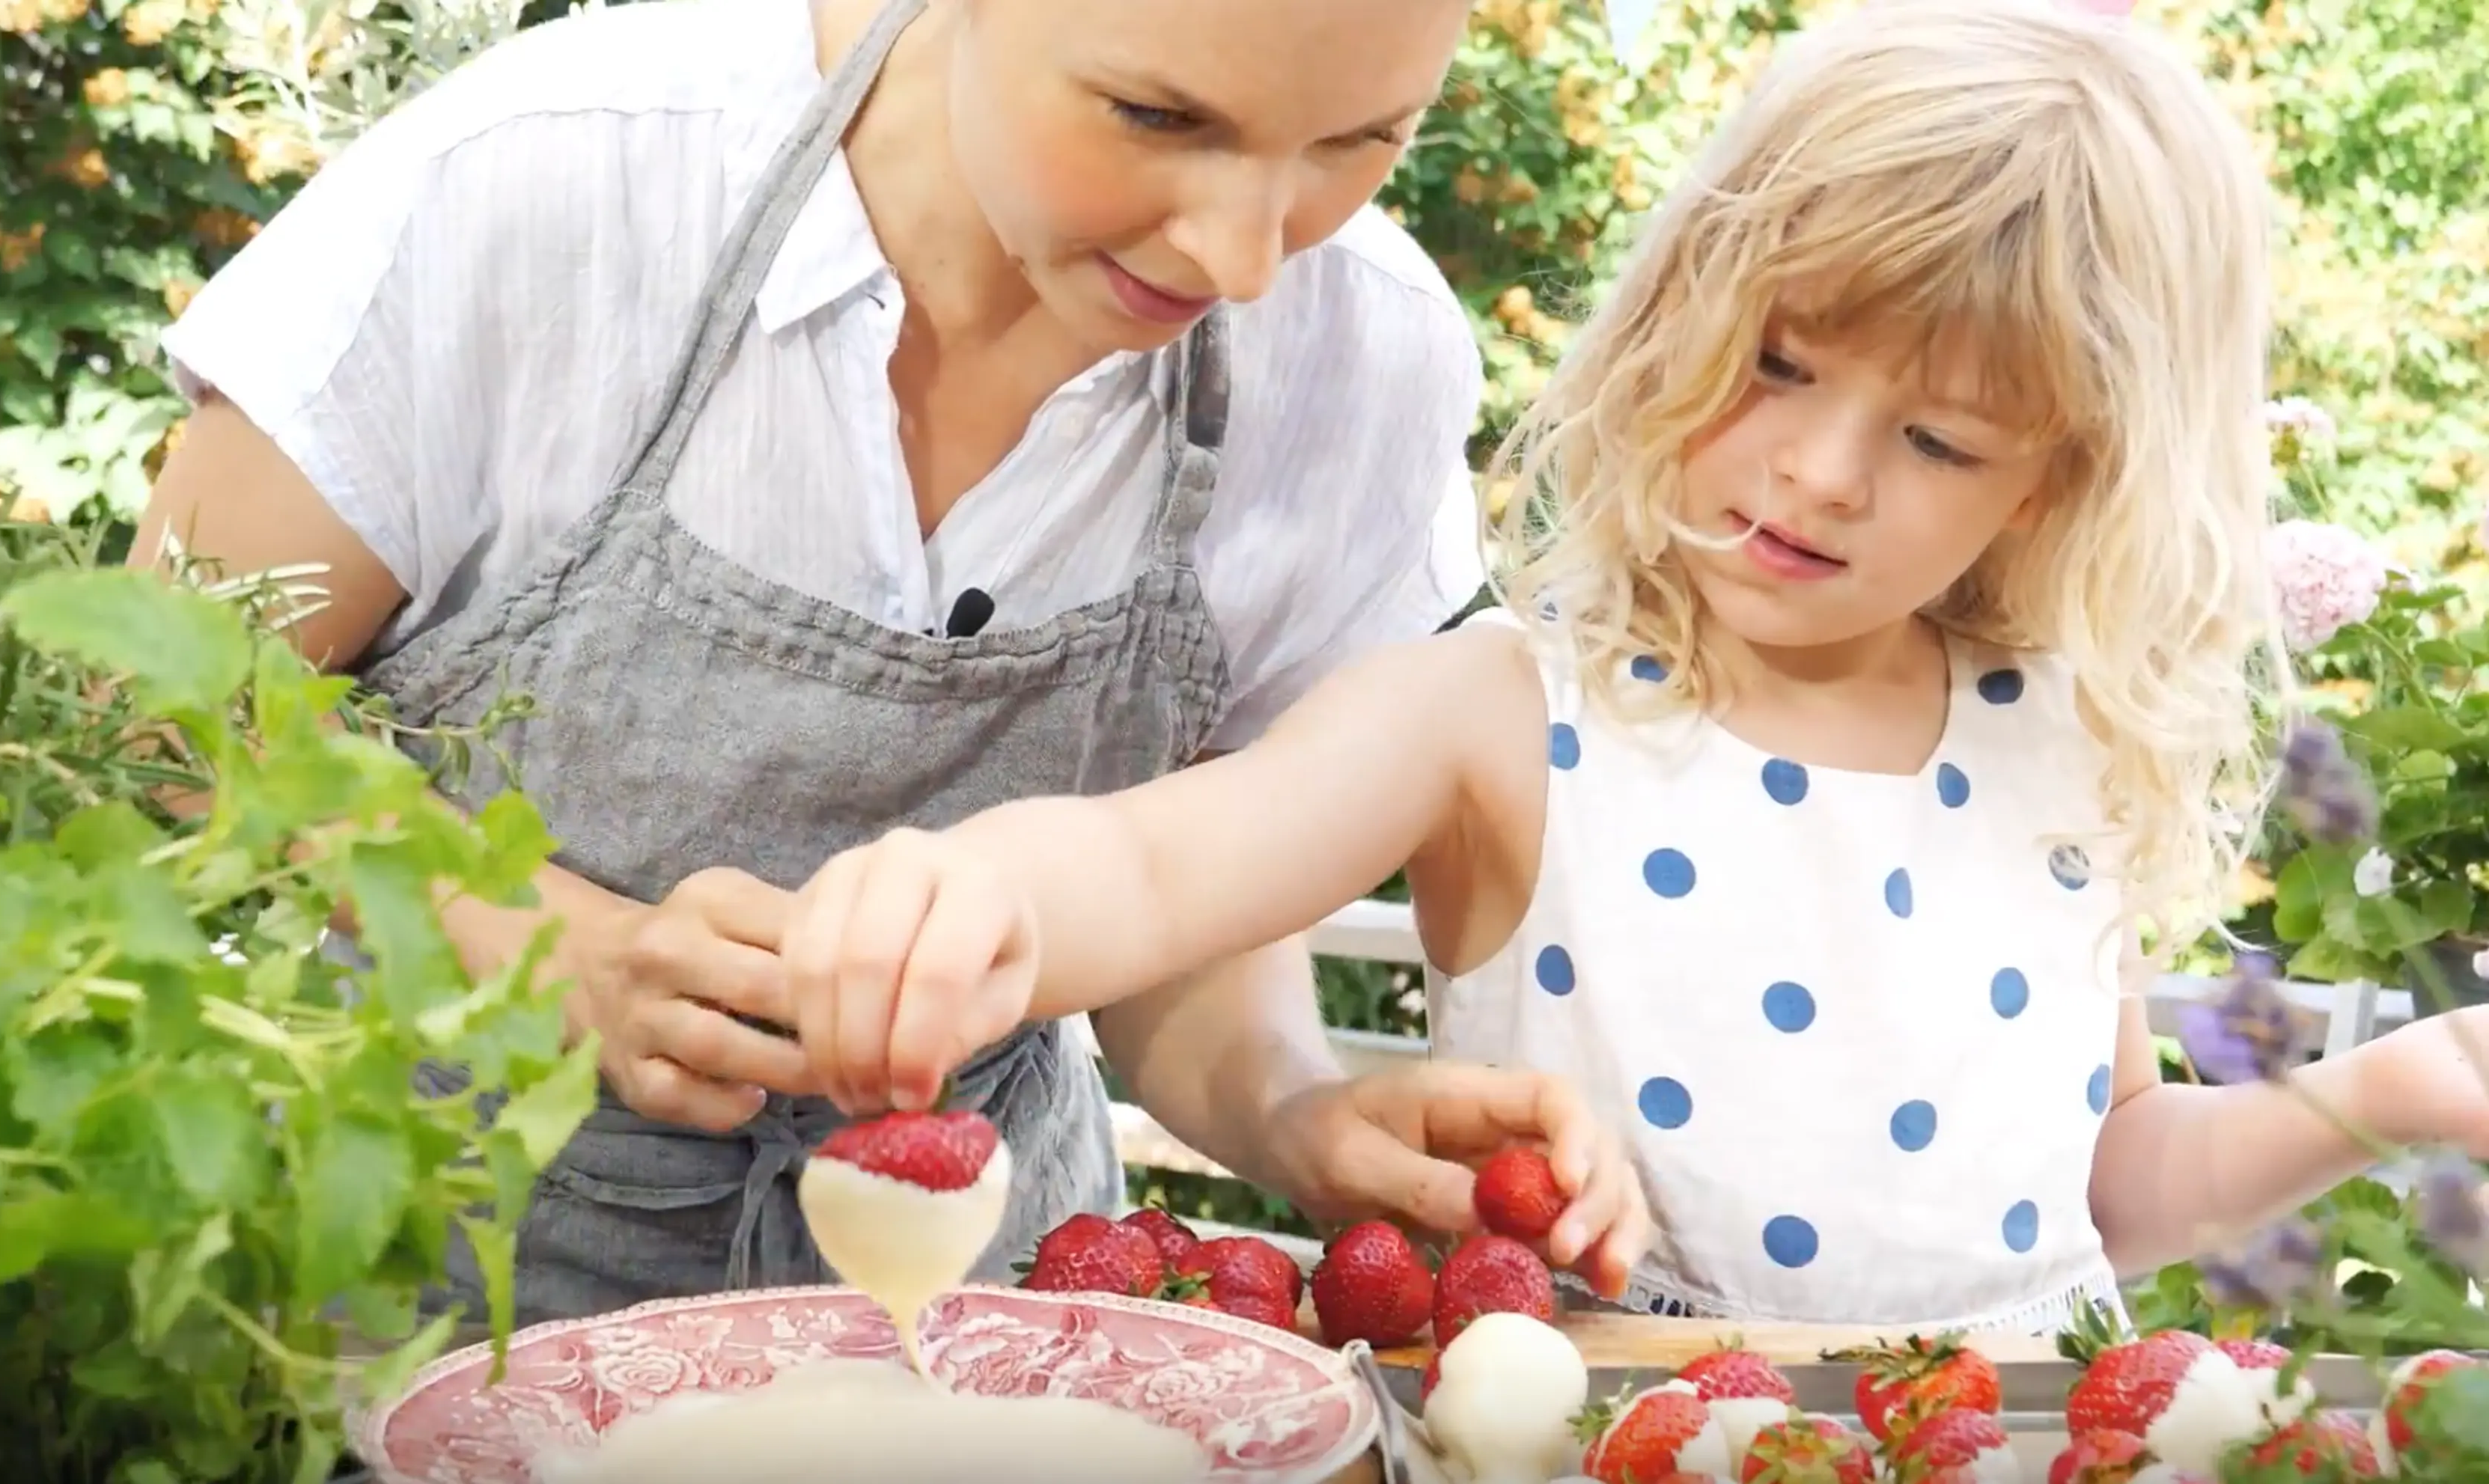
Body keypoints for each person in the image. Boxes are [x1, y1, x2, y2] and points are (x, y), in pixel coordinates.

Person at [768, 0, 2489, 1329]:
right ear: (1678, 308)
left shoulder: (2058, 753)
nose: (1821, 471)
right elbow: (1158, 856)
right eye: (1779, 363)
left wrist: (2388, 1093)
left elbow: (2109, 1189)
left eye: (1942, 442)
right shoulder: (1510, 712)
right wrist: (968, 893)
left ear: (2057, 480)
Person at [128, 0, 1585, 1324]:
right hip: (429, 1288)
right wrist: (542, 938)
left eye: (1357, 141)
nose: (1246, 255)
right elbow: (158, 708)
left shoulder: (1364, 353)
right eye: (1158, 119)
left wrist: (1293, 1109)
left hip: (992, 1300)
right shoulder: (545, 181)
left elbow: (1190, 886)